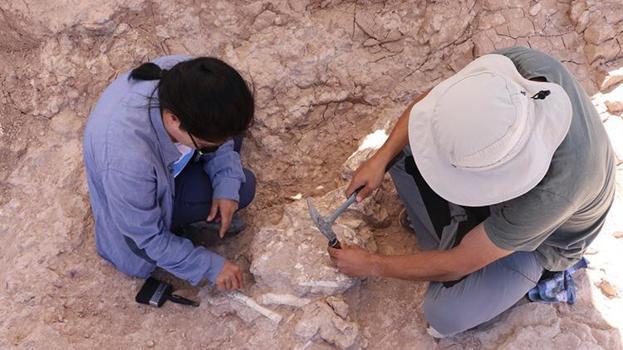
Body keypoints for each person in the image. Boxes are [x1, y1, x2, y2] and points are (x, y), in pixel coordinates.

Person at [329, 47, 616, 337]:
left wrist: (373, 265)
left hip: (544, 242)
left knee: (445, 314)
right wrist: (380, 158)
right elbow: (432, 107)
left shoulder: (555, 191)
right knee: (404, 149)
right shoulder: (517, 66)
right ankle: (455, 232)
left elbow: (459, 263)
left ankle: (462, 237)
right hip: (520, 198)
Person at [83, 55, 256, 291]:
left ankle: (200, 200)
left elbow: (222, 138)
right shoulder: (129, 162)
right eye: (210, 144)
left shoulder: (186, 79)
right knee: (244, 186)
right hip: (139, 201)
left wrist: (225, 182)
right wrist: (209, 266)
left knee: (237, 183)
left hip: (167, 164)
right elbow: (144, 239)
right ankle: (189, 224)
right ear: (174, 119)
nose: (221, 144)